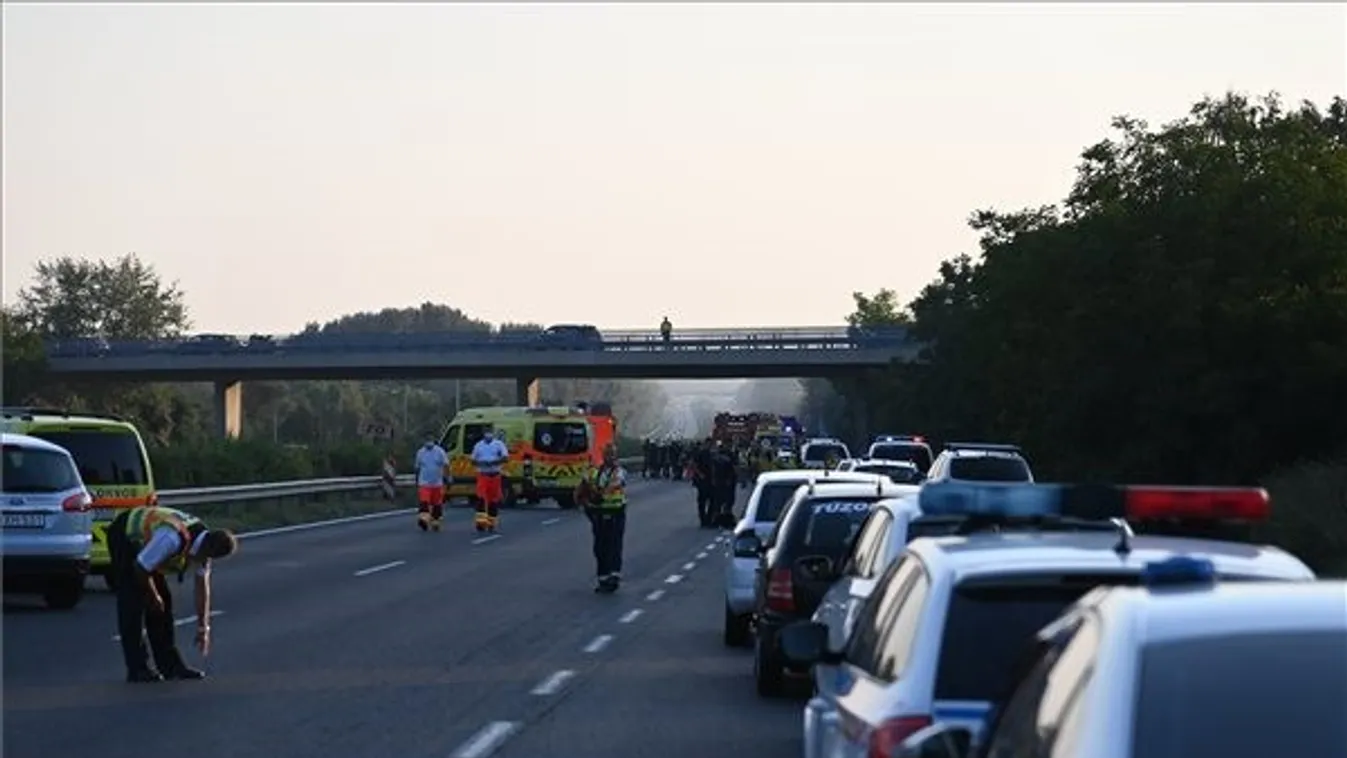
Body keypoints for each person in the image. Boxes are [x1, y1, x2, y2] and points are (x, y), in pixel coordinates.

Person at [107, 505, 238, 683]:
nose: (207, 562)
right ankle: (138, 668)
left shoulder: (204, 543)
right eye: (210, 557)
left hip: (148, 547)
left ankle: (170, 666)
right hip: (125, 535)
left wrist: (203, 627)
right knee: (133, 603)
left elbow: (202, 588)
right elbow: (140, 567)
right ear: (209, 549)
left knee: (164, 606)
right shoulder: (171, 538)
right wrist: (154, 597)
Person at [578, 443, 628, 593]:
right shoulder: (593, 472)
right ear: (603, 455)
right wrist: (585, 502)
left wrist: (601, 492)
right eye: (608, 454)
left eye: (613, 454)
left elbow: (616, 484)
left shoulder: (619, 471)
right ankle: (603, 578)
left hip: (616, 513)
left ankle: (614, 576)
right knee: (600, 548)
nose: (611, 457)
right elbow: (581, 488)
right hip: (598, 514)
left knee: (614, 546)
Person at [471, 426, 510, 533]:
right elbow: (473, 460)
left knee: (493, 501)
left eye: (490, 432)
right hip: (483, 475)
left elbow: (505, 458)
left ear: (493, 433)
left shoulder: (499, 445)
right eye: (486, 432)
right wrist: (482, 463)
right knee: (481, 498)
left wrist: (494, 462)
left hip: (495, 475)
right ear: (483, 433)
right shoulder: (478, 446)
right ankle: (481, 523)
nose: (488, 434)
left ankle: (491, 523)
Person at [414, 436, 449, 532]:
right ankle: (424, 520)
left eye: (430, 440)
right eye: (426, 440)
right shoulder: (420, 452)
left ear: (433, 441)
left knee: (437, 503)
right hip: (424, 482)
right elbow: (417, 468)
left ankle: (435, 522)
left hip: (437, 483)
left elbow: (446, 465)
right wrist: (416, 480)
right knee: (424, 502)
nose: (428, 443)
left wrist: (447, 477)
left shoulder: (440, 452)